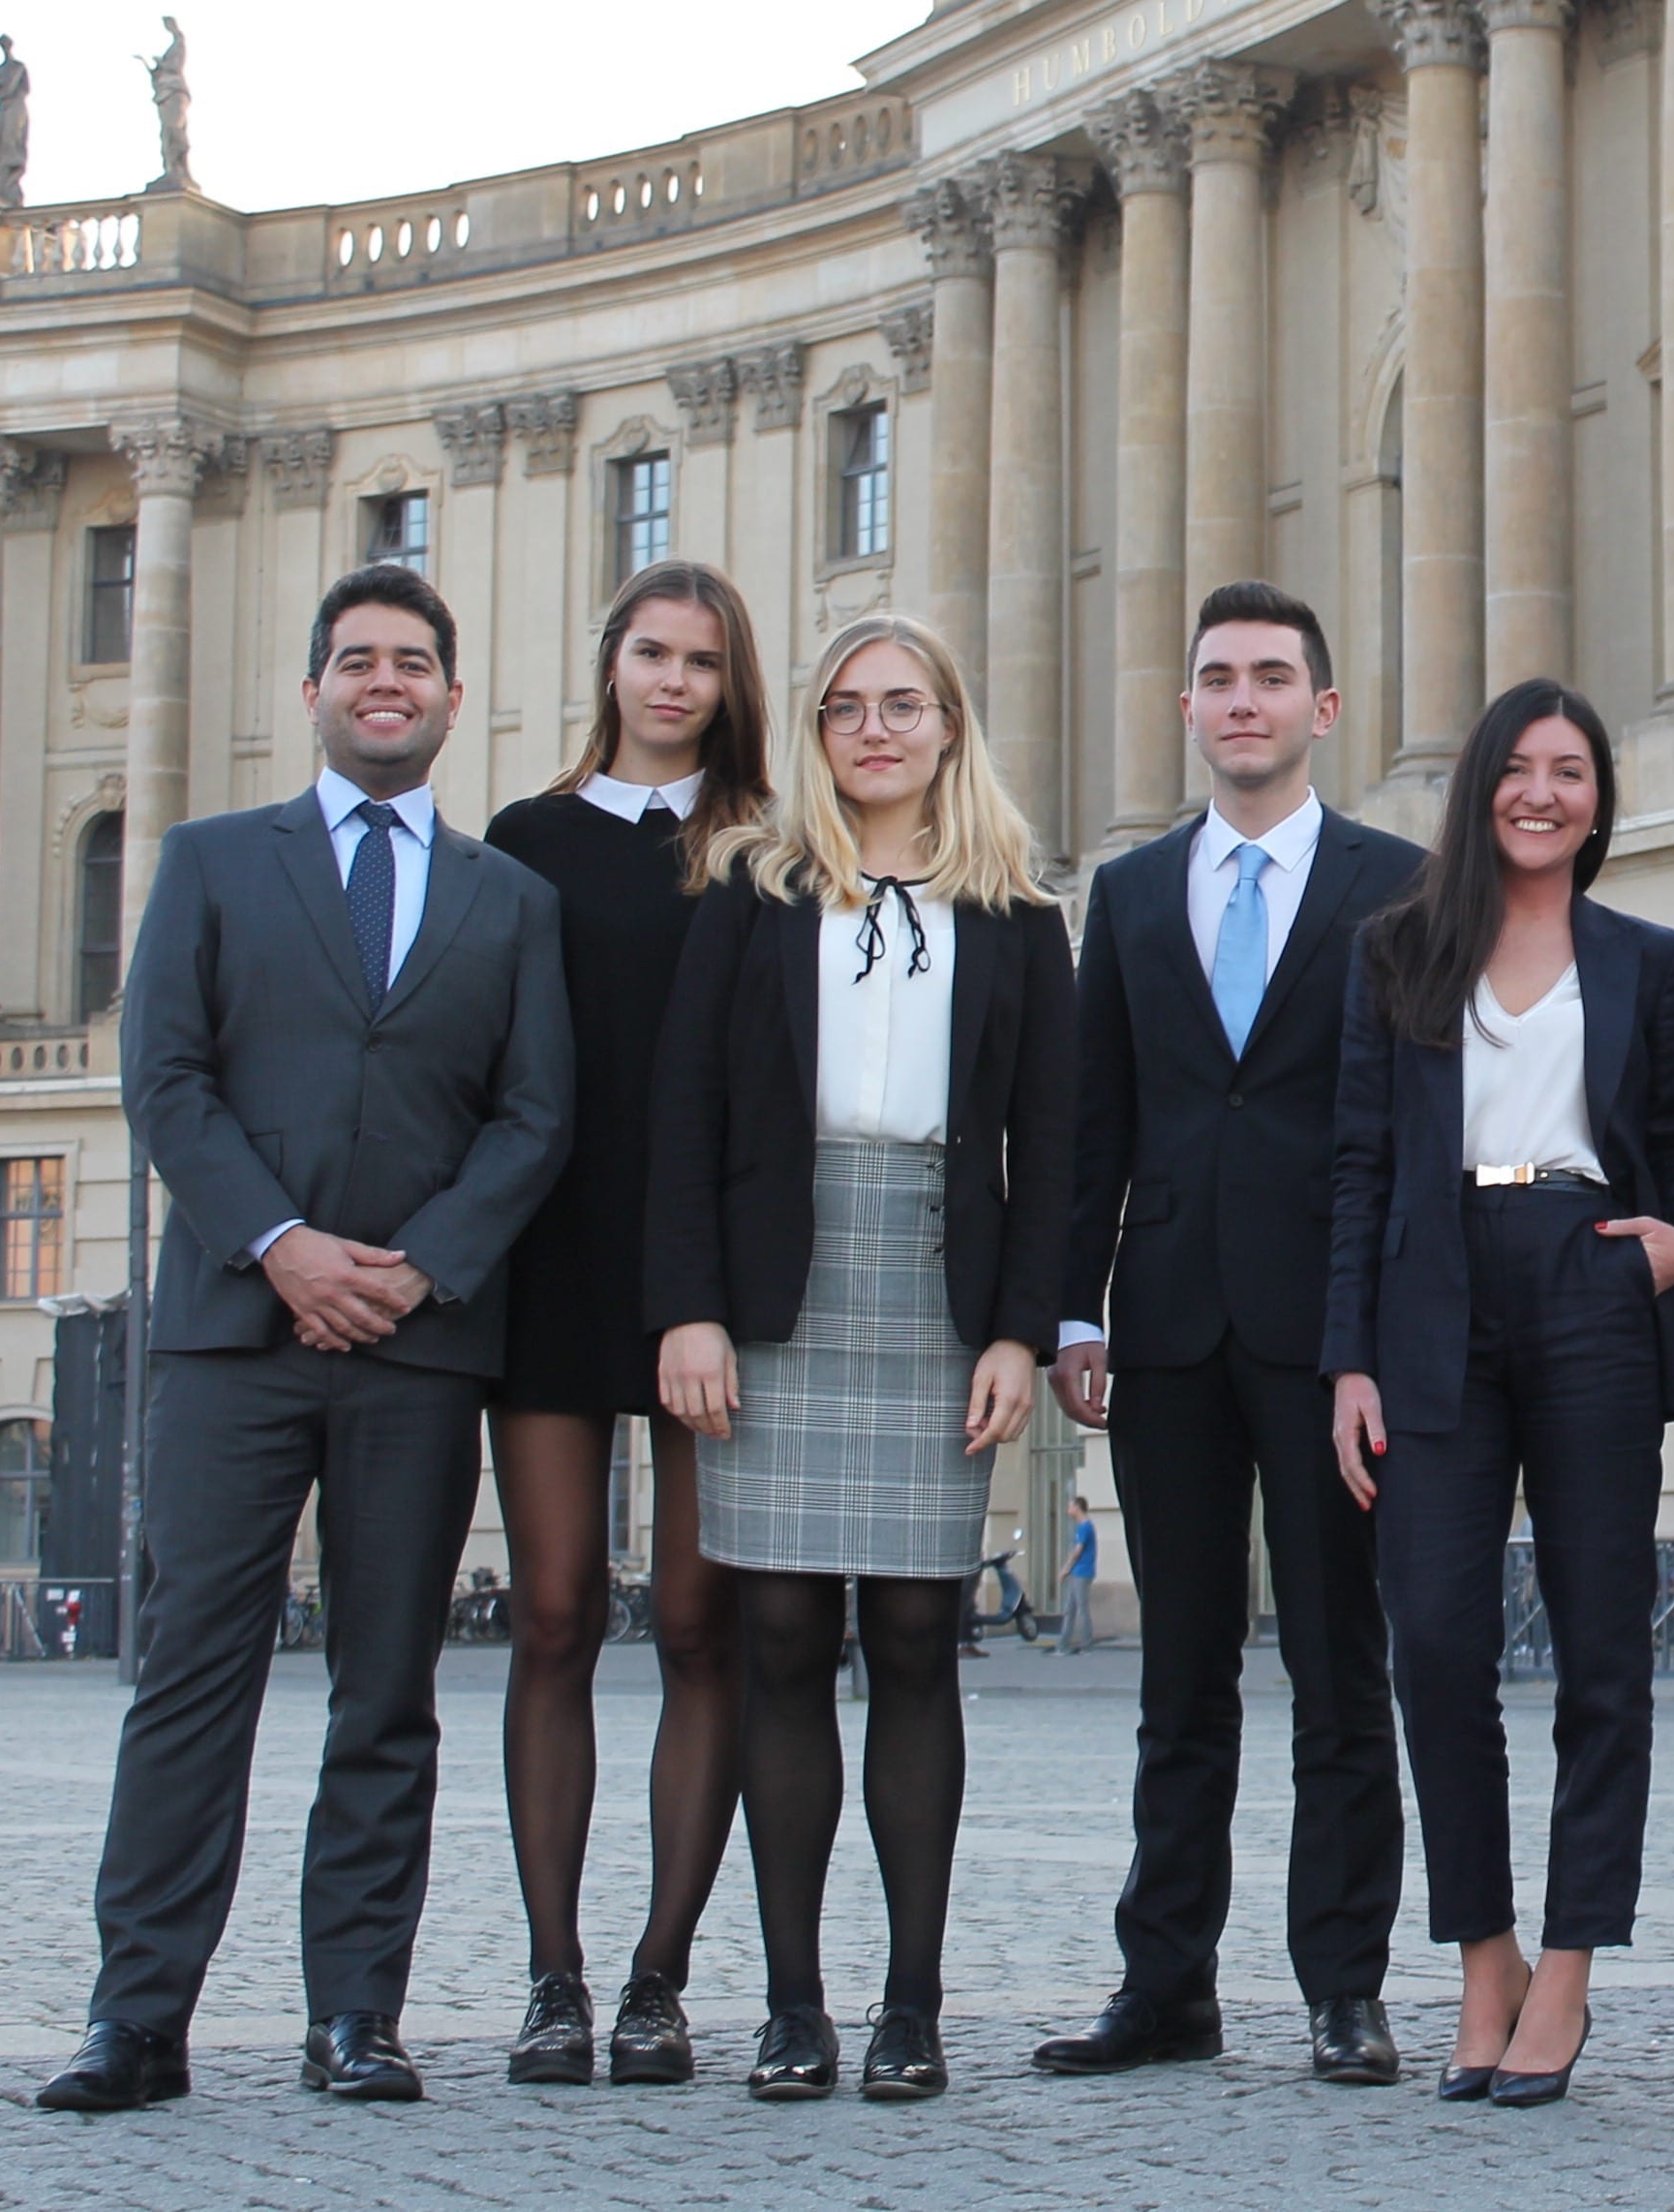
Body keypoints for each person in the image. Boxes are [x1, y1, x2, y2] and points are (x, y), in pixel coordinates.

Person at [41, 565, 573, 2111]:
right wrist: (281, 1248)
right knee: (190, 1681)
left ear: (452, 700)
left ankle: (359, 2017)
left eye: (413, 662)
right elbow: (167, 1080)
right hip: (230, 1333)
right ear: (315, 692)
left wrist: (417, 1269)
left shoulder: (511, 902)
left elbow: (536, 1117)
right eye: (357, 660)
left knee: (385, 1686)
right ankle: (137, 2018)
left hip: (415, 1347)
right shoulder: (212, 862)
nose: (384, 682)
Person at [645, 612, 1076, 2104]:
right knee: (774, 1646)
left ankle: (910, 2004)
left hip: (936, 1292)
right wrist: (686, 1308)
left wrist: (1023, 1328)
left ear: (951, 727)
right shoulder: (750, 893)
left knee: (911, 1643)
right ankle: (791, 2007)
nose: (875, 730)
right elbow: (682, 1118)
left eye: (904, 707)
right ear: (815, 734)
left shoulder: (1019, 913)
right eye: (846, 708)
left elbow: (1057, 1149)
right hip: (775, 1288)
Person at [1035, 581, 1420, 2089]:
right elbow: (1095, 1125)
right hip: (1172, 1331)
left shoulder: (1398, 885)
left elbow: (1409, 1126)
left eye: (1272, 677)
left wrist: (1383, 1330)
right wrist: (1075, 1308)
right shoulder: (1128, 898)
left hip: (1334, 1339)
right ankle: (1166, 1985)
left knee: (1341, 1667)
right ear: (1188, 709)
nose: (1243, 699)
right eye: (1218, 678)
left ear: (1323, 709)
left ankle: (1344, 1986)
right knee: (1178, 1678)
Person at [1324, 679, 1674, 2108]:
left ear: (1599, 799)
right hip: (1432, 1292)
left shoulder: (1643, 957)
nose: (1545, 793)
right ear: (1480, 784)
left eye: (1572, 772)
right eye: (1521, 769)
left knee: (1604, 1648)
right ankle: (1480, 1951)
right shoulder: (1400, 951)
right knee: (1434, 1640)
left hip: (1592, 1275)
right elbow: (1359, 1166)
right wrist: (1348, 1357)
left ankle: (1569, 1965)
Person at [477, 560, 775, 2088]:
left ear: (733, 687)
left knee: (695, 1623)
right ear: (610, 665)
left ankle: (661, 1976)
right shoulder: (521, 844)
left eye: (704, 663)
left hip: (708, 1284)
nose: (673, 682)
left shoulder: (770, 850)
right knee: (550, 1616)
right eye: (651, 654)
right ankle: (553, 1976)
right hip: (549, 1260)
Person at [1059, 1497, 1097, 1652]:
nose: (1068, 1509)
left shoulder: (1085, 1527)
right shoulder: (1082, 1527)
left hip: (1081, 1572)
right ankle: (1063, 1645)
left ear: (1077, 1507)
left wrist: (1065, 1569)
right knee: (1071, 1609)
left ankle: (1086, 1644)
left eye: (1070, 1506)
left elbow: (1077, 1551)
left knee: (1081, 1609)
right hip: (1078, 1572)